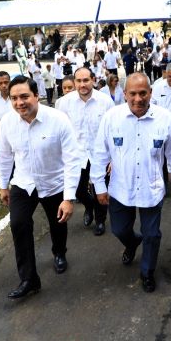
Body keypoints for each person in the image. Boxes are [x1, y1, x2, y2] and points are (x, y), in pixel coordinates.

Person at [91, 73, 171, 293]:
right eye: (132, 93)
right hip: (119, 188)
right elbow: (99, 154)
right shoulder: (111, 118)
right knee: (118, 229)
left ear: (150, 93)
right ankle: (132, 243)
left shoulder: (165, 118)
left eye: (143, 93)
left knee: (152, 235)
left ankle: (147, 272)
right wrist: (99, 186)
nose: (138, 98)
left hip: (151, 188)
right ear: (124, 94)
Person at [0, 75, 83, 299]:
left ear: (37, 95)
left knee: (58, 223)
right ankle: (29, 279)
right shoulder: (7, 122)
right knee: (18, 224)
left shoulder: (58, 119)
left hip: (53, 182)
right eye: (14, 98)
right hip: (23, 183)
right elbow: (4, 155)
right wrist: (3, 184)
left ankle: (59, 252)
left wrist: (69, 197)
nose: (19, 103)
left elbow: (72, 159)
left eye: (24, 96)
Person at [57, 67, 115, 236]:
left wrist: (112, 158)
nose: (82, 85)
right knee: (77, 189)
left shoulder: (105, 102)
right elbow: (58, 131)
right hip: (76, 155)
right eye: (78, 81)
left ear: (93, 80)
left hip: (100, 155)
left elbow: (113, 131)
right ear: (74, 82)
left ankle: (100, 220)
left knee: (100, 189)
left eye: (86, 80)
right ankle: (88, 206)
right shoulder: (64, 103)